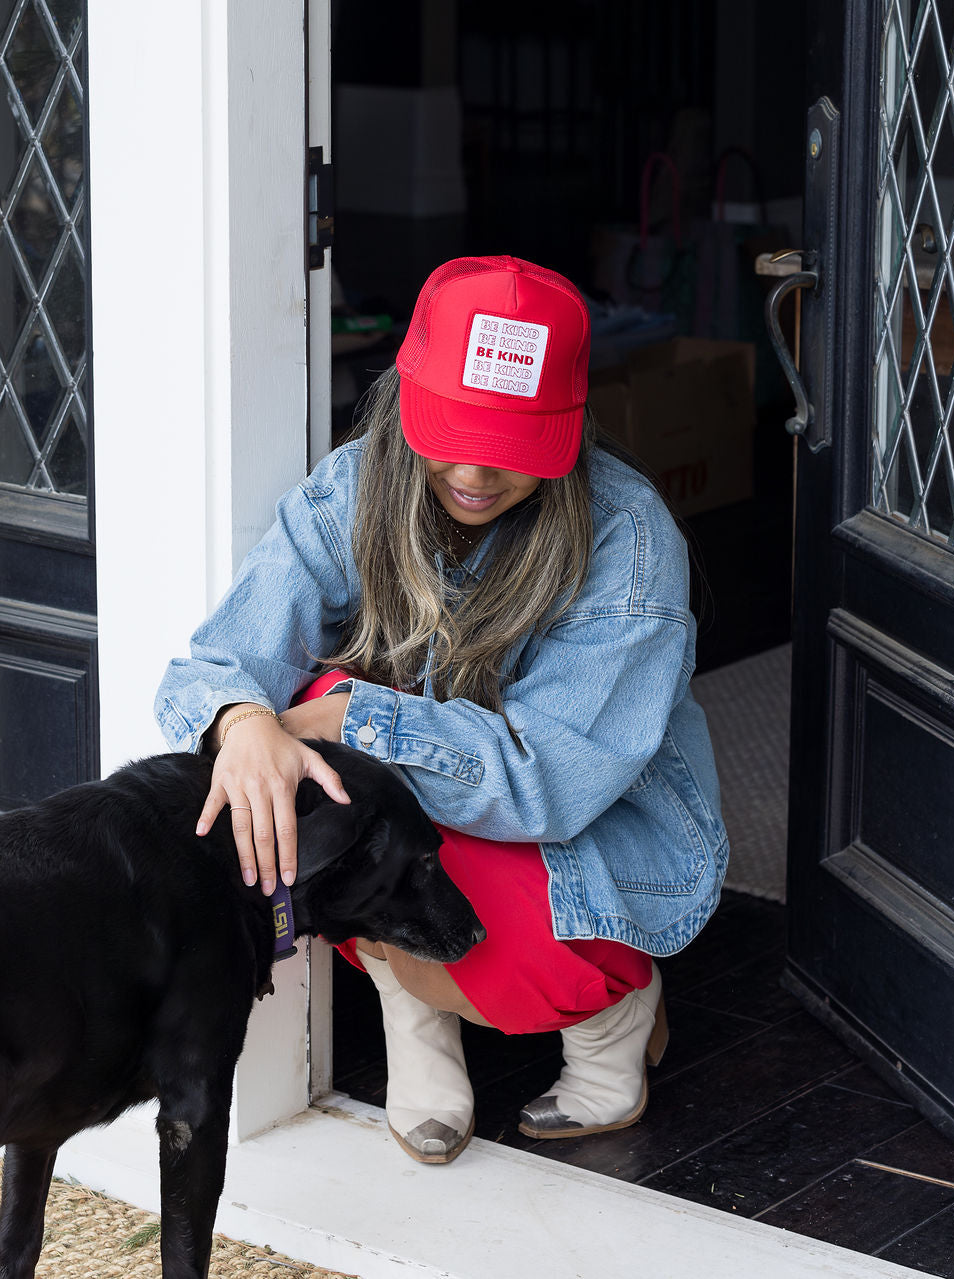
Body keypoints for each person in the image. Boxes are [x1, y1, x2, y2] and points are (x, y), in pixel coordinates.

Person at [156, 254, 728, 1165]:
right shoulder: (357, 485)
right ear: (407, 392)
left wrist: (351, 720)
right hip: (440, 808)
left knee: (346, 749)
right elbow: (217, 661)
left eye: (513, 442)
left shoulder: (629, 540)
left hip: (572, 838)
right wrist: (243, 722)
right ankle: (412, 1010)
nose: (473, 469)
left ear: (569, 427)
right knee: (284, 758)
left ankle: (615, 1018)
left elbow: (543, 782)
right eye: (454, 428)